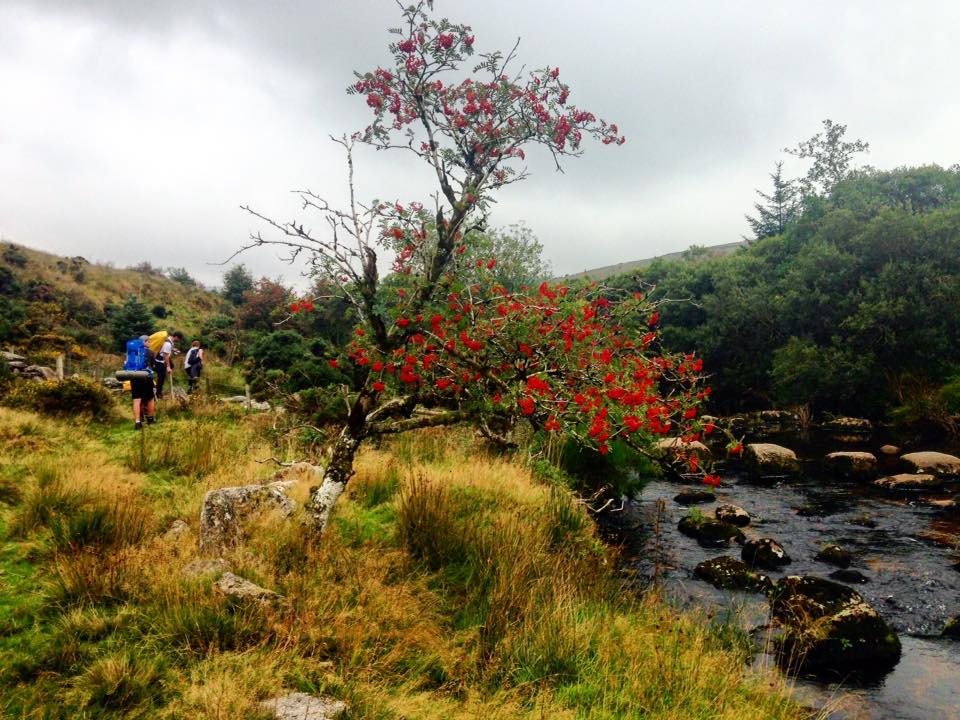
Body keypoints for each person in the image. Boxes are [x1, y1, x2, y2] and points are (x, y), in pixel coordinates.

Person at [129, 335, 155, 430]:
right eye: (149, 341)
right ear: (144, 342)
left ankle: (137, 422)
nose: (150, 343)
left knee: (136, 400)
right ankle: (150, 420)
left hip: (135, 377)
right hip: (146, 377)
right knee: (150, 399)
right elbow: (152, 366)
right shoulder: (151, 353)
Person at [154, 331, 181, 399]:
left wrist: (174, 350)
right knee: (161, 378)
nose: (179, 341)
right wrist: (168, 367)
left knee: (164, 375)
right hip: (160, 362)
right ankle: (158, 394)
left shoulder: (169, 341)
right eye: (179, 339)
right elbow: (166, 355)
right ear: (176, 337)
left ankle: (158, 391)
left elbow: (168, 349)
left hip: (160, 361)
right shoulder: (168, 343)